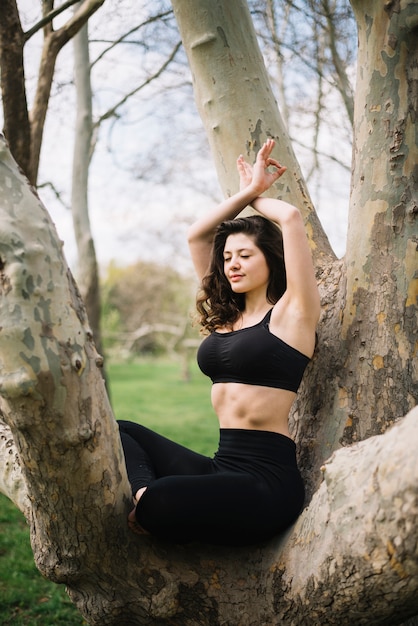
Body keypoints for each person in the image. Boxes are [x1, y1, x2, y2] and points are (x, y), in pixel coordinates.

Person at [118, 138, 320, 545]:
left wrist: (260, 196)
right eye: (227, 257)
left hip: (266, 482)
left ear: (269, 258)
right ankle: (147, 497)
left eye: (245, 255)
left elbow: (293, 218)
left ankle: (154, 501)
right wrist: (244, 193)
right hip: (222, 463)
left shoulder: (291, 315)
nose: (233, 265)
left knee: (161, 501)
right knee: (120, 429)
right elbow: (197, 237)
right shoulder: (226, 317)